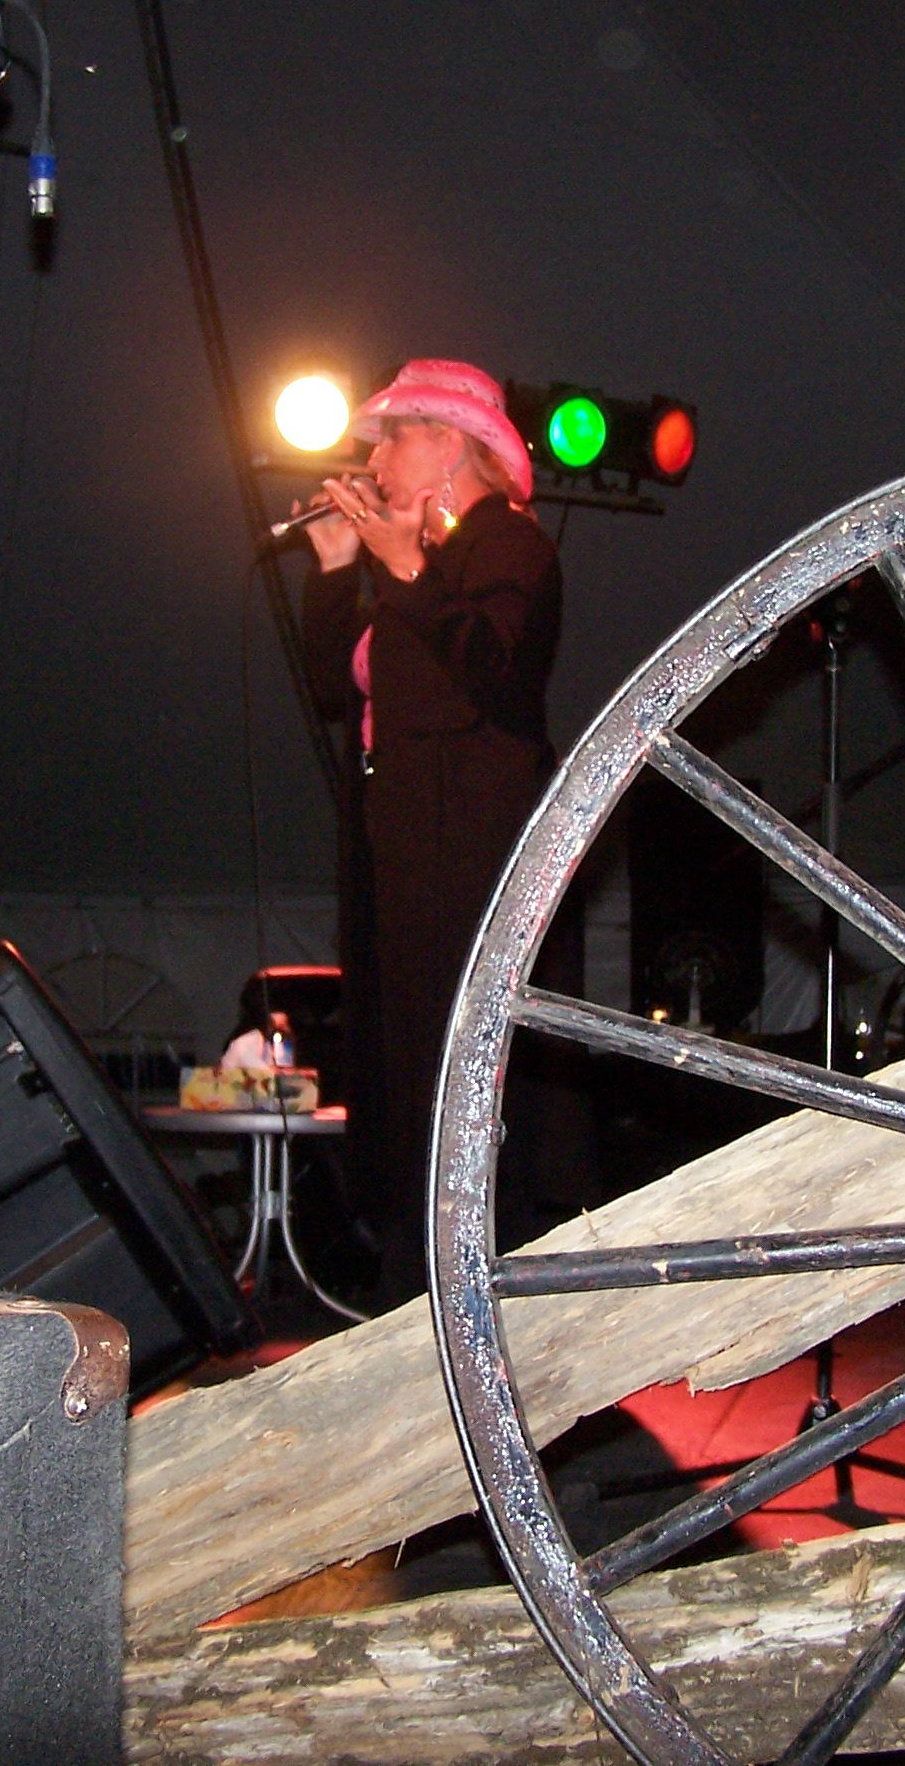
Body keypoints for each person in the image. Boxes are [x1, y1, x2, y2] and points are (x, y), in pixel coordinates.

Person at [297, 357, 569, 1303]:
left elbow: (495, 671)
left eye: (392, 439)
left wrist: (407, 569)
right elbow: (337, 686)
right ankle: (411, 1270)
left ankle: (472, 1269)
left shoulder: (508, 545)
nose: (374, 461)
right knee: (400, 1051)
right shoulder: (415, 560)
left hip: (470, 841)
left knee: (456, 1051)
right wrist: (339, 567)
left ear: (449, 442)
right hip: (403, 834)